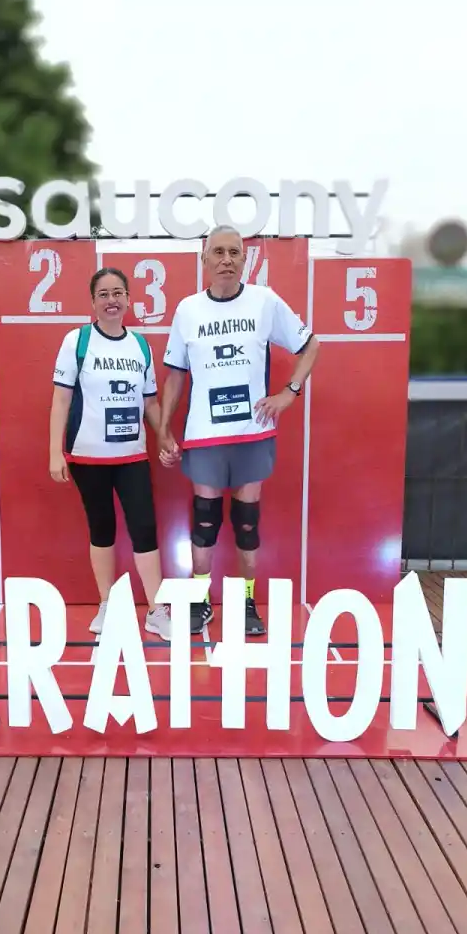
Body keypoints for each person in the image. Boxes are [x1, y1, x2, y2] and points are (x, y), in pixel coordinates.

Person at [158, 224, 320, 636]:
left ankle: (246, 600)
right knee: (205, 522)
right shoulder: (188, 310)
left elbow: (310, 346)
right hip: (204, 436)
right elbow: (175, 374)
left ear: (244, 259)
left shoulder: (264, 301)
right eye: (218, 252)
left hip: (252, 433)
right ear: (204, 259)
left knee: (246, 523)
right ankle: (200, 600)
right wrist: (163, 429)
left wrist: (288, 393)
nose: (226, 259)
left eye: (234, 252)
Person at [49, 266, 171, 641]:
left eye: (118, 293)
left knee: (144, 529)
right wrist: (55, 452)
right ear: (93, 302)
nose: (111, 300)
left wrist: (164, 436)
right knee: (102, 529)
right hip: (88, 457)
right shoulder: (77, 341)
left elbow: (149, 402)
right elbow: (61, 399)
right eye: (103, 294)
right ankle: (107, 604)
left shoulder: (140, 346)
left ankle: (156, 610)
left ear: (129, 300)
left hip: (132, 456)